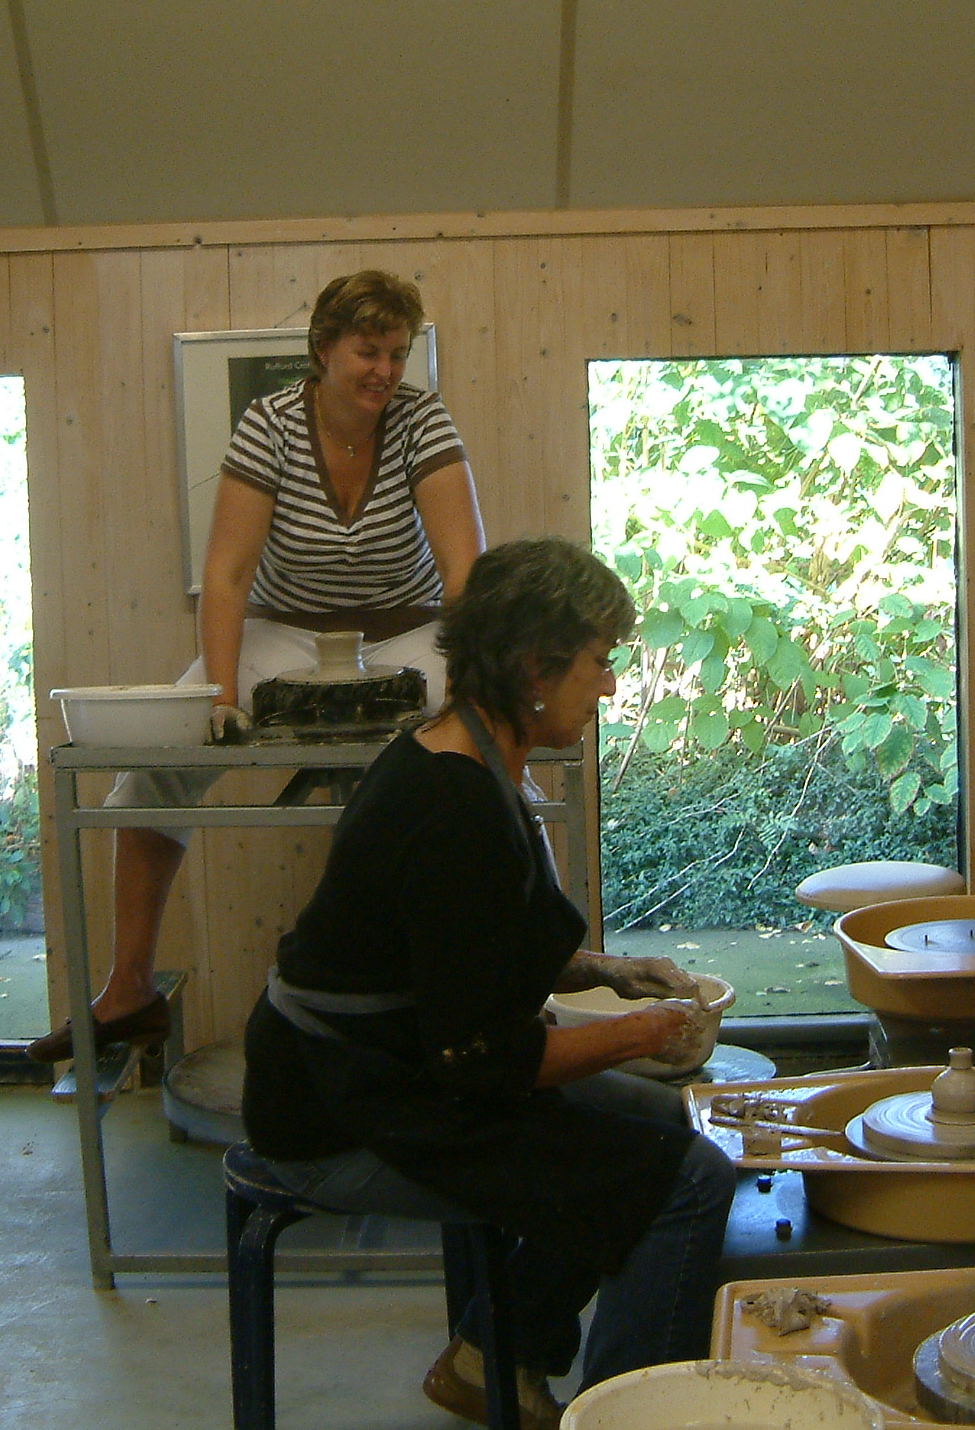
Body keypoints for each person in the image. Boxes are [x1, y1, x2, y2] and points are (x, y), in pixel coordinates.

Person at [241, 538, 735, 1428]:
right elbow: (480, 1062)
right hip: (338, 1110)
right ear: (535, 668)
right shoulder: (452, 805)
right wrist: (645, 1032)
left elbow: (462, 952)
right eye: (598, 663)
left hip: (392, 1068)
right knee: (686, 1179)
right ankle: (626, 1417)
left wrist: (609, 972)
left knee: (667, 1124)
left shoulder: (461, 754)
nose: (610, 686)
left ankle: (492, 1357)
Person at [30, 270, 486, 1062]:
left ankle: (522, 985)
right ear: (323, 349)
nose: (384, 371)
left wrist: (479, 692)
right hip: (288, 635)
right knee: (151, 769)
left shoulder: (423, 419)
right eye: (368, 352)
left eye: (396, 353)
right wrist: (217, 698)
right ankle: (128, 989)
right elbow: (229, 574)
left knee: (497, 756)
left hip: (407, 634)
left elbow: (464, 572)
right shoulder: (269, 424)